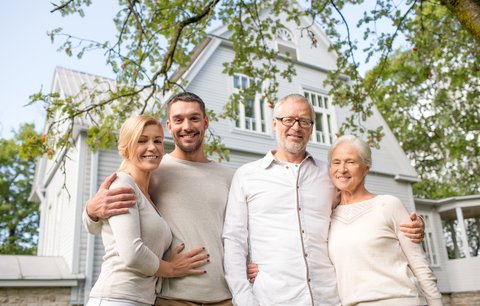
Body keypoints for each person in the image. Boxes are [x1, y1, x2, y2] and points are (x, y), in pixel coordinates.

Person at [223, 94, 425, 305]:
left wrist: (415, 221)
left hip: (329, 298)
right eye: (288, 119)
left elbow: (364, 207)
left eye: (304, 121)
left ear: (311, 128)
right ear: (275, 123)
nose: (296, 127)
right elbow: (234, 240)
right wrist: (244, 298)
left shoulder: (329, 175)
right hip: (272, 298)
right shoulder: (247, 176)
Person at [83, 92, 235, 306]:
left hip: (223, 296)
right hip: (169, 298)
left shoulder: (228, 176)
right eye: (178, 120)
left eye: (194, 118)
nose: (187, 126)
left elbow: (240, 232)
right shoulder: (150, 168)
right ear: (169, 126)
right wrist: (90, 211)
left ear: (205, 122)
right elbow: (104, 217)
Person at [327, 135, 442, 305]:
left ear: (366, 167)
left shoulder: (388, 205)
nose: (342, 169)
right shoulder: (328, 218)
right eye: (336, 162)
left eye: (350, 162)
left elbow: (420, 266)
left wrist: (436, 302)